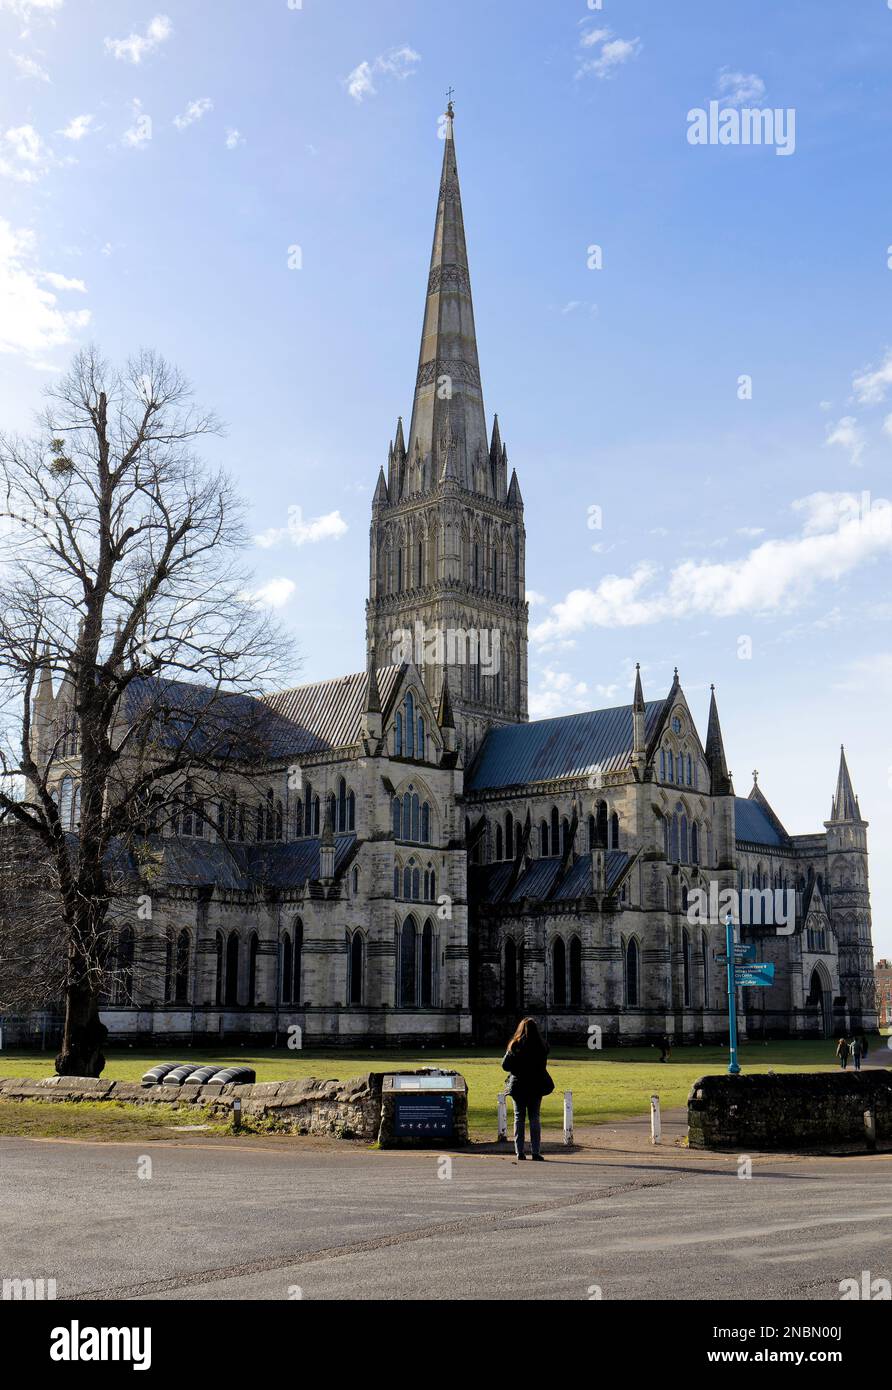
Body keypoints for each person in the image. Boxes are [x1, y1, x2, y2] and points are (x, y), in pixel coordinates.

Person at [502, 1017, 551, 1161]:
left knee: (519, 1118)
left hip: (519, 1085)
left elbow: (505, 1066)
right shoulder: (542, 1045)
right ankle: (536, 1152)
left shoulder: (515, 1045)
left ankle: (520, 1152)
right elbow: (542, 1066)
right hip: (536, 1085)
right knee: (535, 1117)